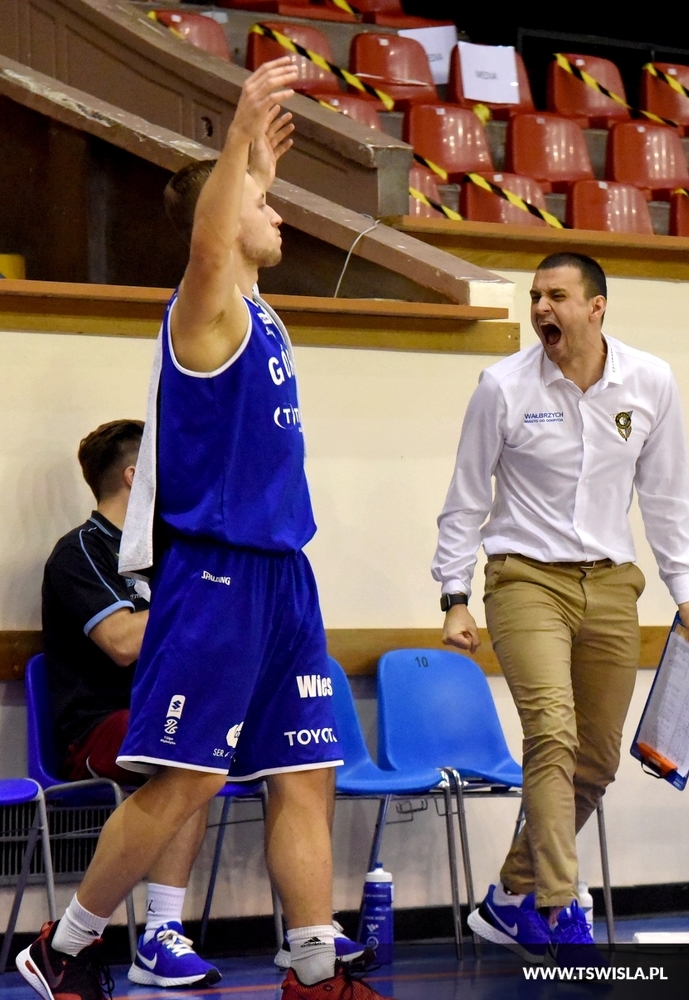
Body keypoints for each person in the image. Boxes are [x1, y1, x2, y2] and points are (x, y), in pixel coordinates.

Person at [18, 58, 391, 1000]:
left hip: (284, 574)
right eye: (262, 205)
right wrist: (235, 143)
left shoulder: (260, 317)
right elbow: (211, 240)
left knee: (305, 772)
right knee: (185, 782)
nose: (277, 213)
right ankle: (64, 946)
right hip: (219, 576)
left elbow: (237, 219)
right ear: (219, 227)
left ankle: (313, 967)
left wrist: (256, 165)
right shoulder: (204, 313)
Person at [432, 252, 689, 961]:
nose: (540, 309)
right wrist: (454, 595)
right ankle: (561, 908)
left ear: (597, 307)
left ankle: (509, 895)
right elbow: (466, 498)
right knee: (551, 734)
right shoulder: (502, 386)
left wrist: (684, 591)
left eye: (556, 296)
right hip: (525, 579)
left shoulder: (650, 381)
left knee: (595, 761)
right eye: (535, 296)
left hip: (613, 583)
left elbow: (666, 496)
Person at [42, 419, 220, 988]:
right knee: (188, 751)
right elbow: (121, 642)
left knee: (251, 747)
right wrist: (199, 600)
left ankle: (311, 934)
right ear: (134, 475)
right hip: (96, 728)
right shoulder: (79, 552)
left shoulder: (171, 551)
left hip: (170, 713)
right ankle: (154, 934)